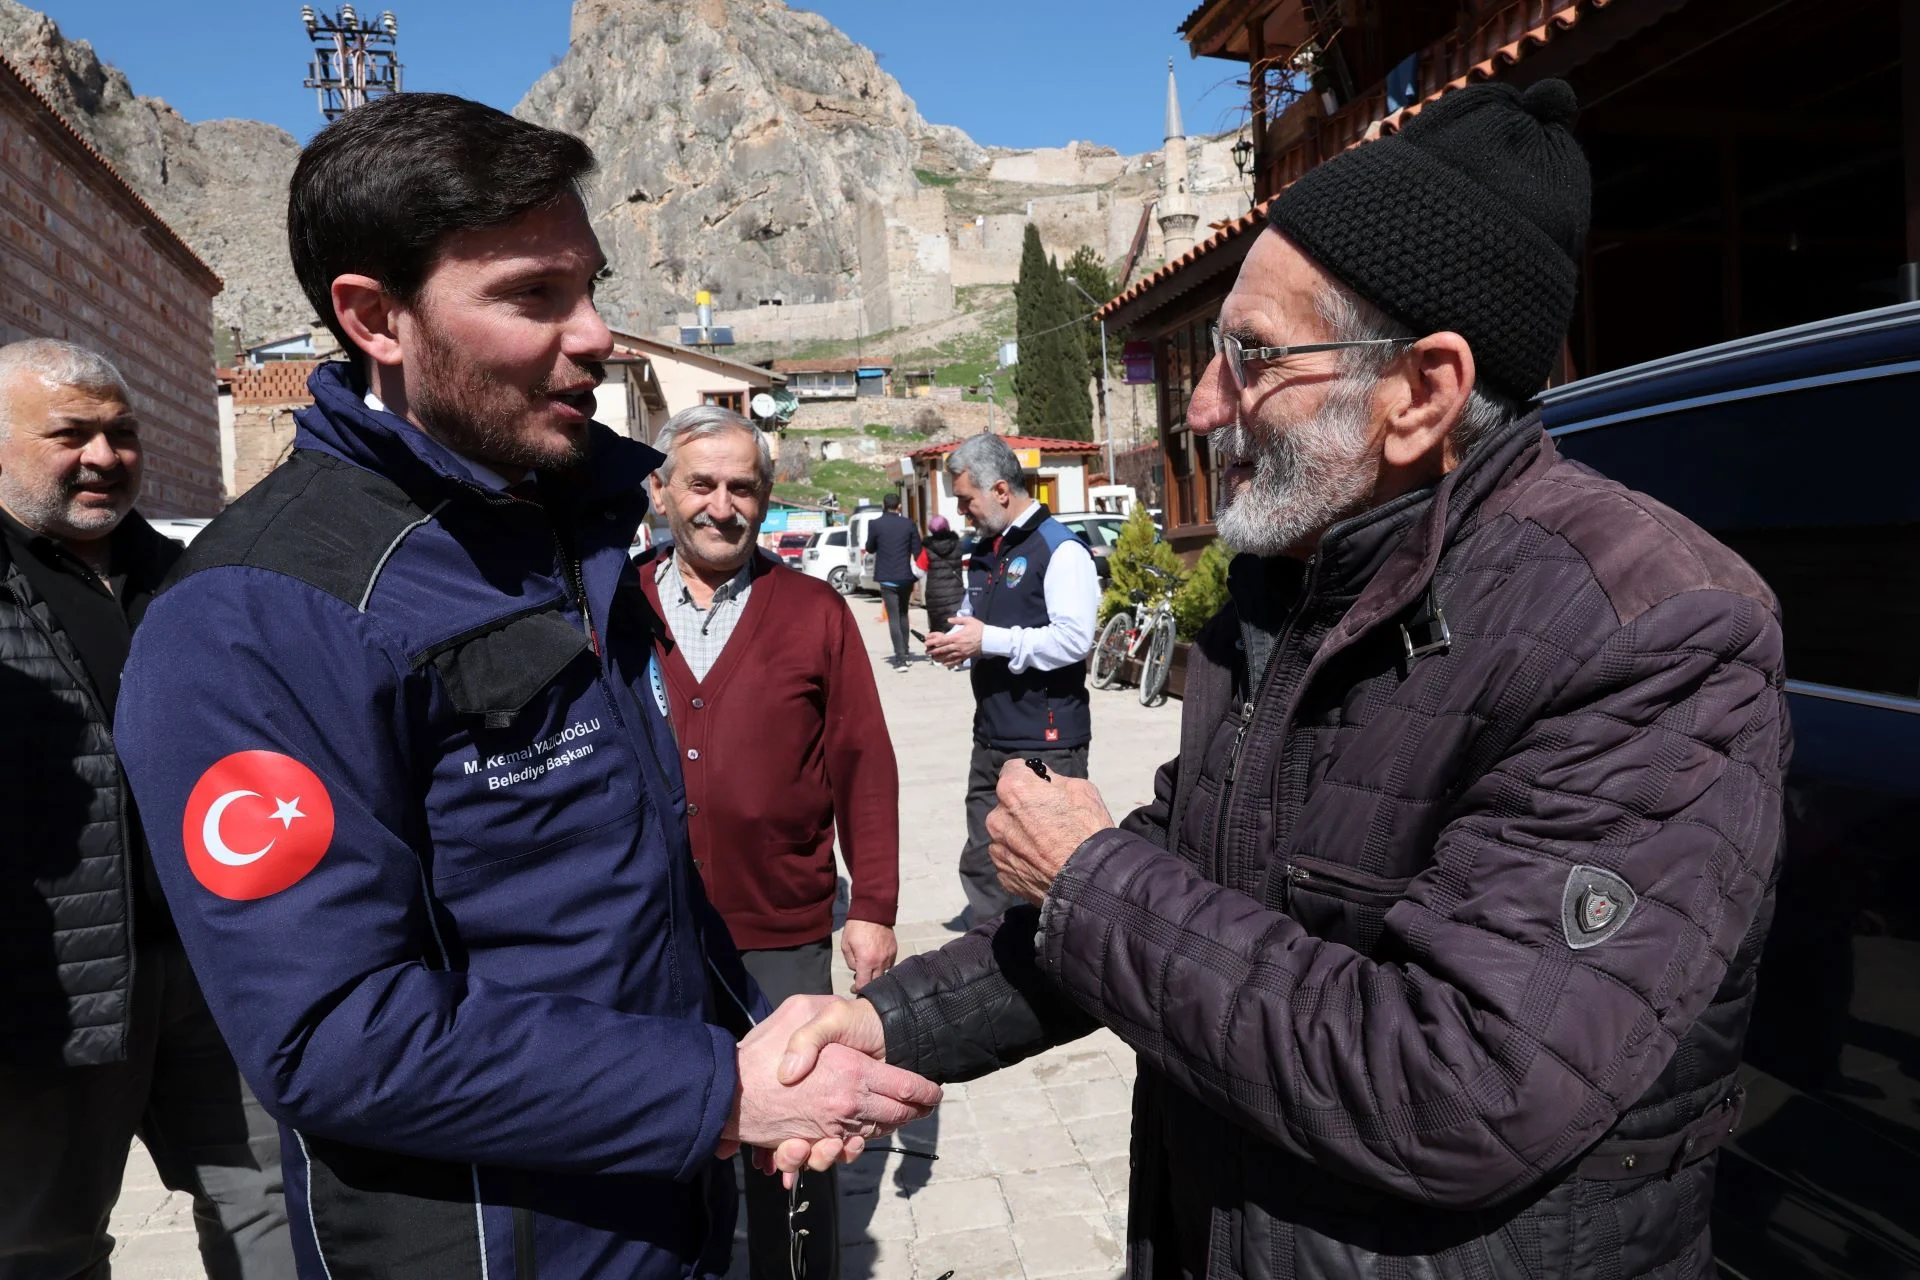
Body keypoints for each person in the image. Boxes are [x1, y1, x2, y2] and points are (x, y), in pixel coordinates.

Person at [776, 81, 1789, 1278]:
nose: (1204, 406)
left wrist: (1093, 878)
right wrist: (889, 1021)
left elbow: (1459, 1085)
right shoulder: (1283, 585)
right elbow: (1177, 876)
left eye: (1252, 356)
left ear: (1422, 392)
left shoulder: (1655, 635)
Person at [112, 93, 937, 1279]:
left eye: (590, 286)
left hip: (667, 1207)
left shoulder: (560, 534)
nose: (596, 333)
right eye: (532, 296)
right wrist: (712, 1090)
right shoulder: (254, 614)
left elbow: (628, 881)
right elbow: (331, 1031)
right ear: (373, 315)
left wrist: (761, 1037)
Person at [0, 340, 293, 1280]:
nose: (103, 455)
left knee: (275, 1214)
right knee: (43, 1245)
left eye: (121, 434)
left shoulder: (188, 580)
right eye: (70, 434)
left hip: (214, 975)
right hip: (48, 998)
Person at [638, 405, 901, 1280]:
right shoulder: (618, 606)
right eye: (701, 484)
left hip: (779, 928)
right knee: (672, 1137)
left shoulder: (814, 611)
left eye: (742, 487)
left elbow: (863, 762)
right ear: (661, 492)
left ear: (766, 499)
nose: (722, 505)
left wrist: (873, 906)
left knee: (793, 1144)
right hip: (651, 931)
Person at [925, 433, 1098, 929]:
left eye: (966, 500)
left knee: (1050, 868)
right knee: (983, 861)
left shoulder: (1059, 549)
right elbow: (975, 622)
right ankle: (993, 970)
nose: (962, 513)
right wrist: (956, 645)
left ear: (1000, 490)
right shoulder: (985, 551)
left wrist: (990, 642)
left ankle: (1058, 975)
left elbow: (1073, 640)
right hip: (991, 739)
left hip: (1046, 744)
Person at [863, 492, 919, 670]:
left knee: (893, 617)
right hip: (905, 576)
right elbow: (917, 548)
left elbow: (870, 548)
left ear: (883, 505)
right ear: (899, 507)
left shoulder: (876, 524)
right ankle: (907, 651)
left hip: (886, 577)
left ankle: (901, 658)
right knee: (903, 614)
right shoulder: (909, 524)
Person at [919, 514, 965, 650]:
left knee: (936, 624)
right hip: (955, 591)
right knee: (955, 623)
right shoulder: (958, 544)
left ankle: (936, 654)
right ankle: (956, 652)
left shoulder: (925, 548)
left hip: (935, 594)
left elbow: (919, 571)